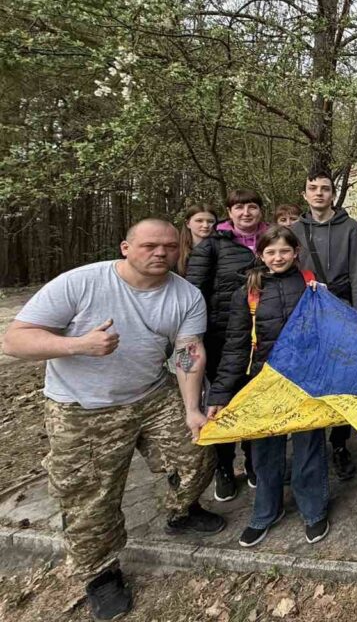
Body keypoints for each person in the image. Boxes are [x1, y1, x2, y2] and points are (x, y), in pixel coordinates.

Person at [2, 219, 224, 621]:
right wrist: (77, 345)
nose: (161, 253)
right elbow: (15, 339)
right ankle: (100, 573)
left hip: (151, 394)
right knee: (91, 497)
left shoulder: (186, 295)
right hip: (83, 407)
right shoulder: (80, 283)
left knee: (197, 452)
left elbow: (188, 352)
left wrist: (192, 409)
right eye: (150, 246)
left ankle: (181, 511)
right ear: (126, 247)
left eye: (170, 246)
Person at [206, 226, 331, 548]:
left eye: (284, 251)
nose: (278, 257)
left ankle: (313, 510)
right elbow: (235, 345)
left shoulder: (311, 285)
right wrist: (220, 392)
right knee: (265, 451)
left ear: (296, 252)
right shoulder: (248, 292)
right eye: (271, 252)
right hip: (263, 382)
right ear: (260, 254)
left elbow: (330, 333)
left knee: (309, 448)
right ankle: (266, 512)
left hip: (306, 380)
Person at [186, 188, 268, 502]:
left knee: (254, 400)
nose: (246, 213)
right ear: (229, 212)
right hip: (220, 338)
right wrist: (195, 337)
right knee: (221, 400)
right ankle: (223, 465)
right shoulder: (212, 245)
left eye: (252, 207)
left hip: (261, 336)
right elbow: (193, 294)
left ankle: (253, 460)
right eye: (239, 208)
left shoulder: (270, 240)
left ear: (260, 210)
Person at [293, 169, 357, 482]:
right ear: (305, 194)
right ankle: (309, 444)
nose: (319, 193)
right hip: (308, 313)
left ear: (333, 194)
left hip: (342, 309)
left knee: (343, 379)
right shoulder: (294, 230)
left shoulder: (349, 228)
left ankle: (340, 443)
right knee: (310, 377)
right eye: (313, 188)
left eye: (325, 188)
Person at [177, 204, 217, 275]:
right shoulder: (177, 250)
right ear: (188, 224)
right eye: (199, 221)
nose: (205, 225)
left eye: (210, 221)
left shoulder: (223, 249)